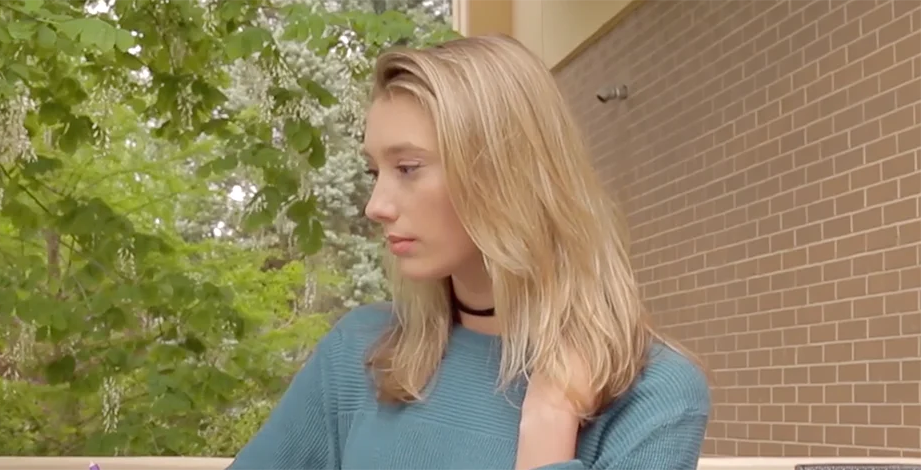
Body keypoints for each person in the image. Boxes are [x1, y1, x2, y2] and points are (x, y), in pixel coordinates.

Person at [227, 34, 711, 470]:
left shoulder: (652, 394)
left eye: (409, 168)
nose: (376, 206)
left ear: (505, 175)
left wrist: (549, 422)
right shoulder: (361, 354)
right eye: (376, 172)